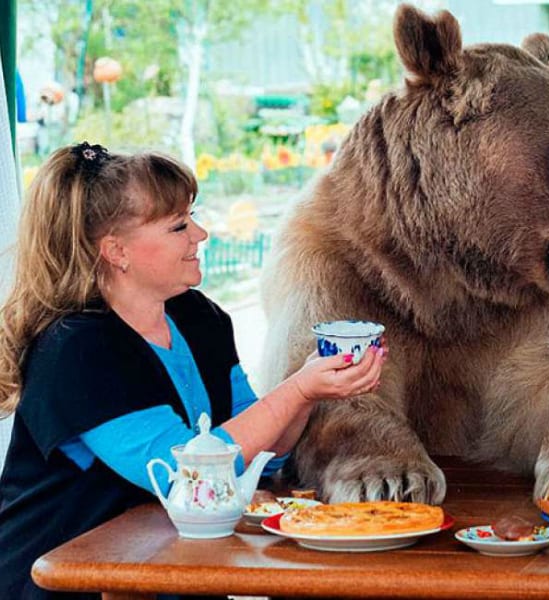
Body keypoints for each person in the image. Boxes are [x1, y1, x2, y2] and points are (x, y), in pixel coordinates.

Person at [0, 142, 387, 599]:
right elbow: (185, 477)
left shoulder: (197, 316)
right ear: (116, 250)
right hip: (61, 583)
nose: (200, 234)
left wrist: (308, 392)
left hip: (165, 571)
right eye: (179, 225)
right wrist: (297, 388)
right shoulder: (76, 351)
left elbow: (264, 453)